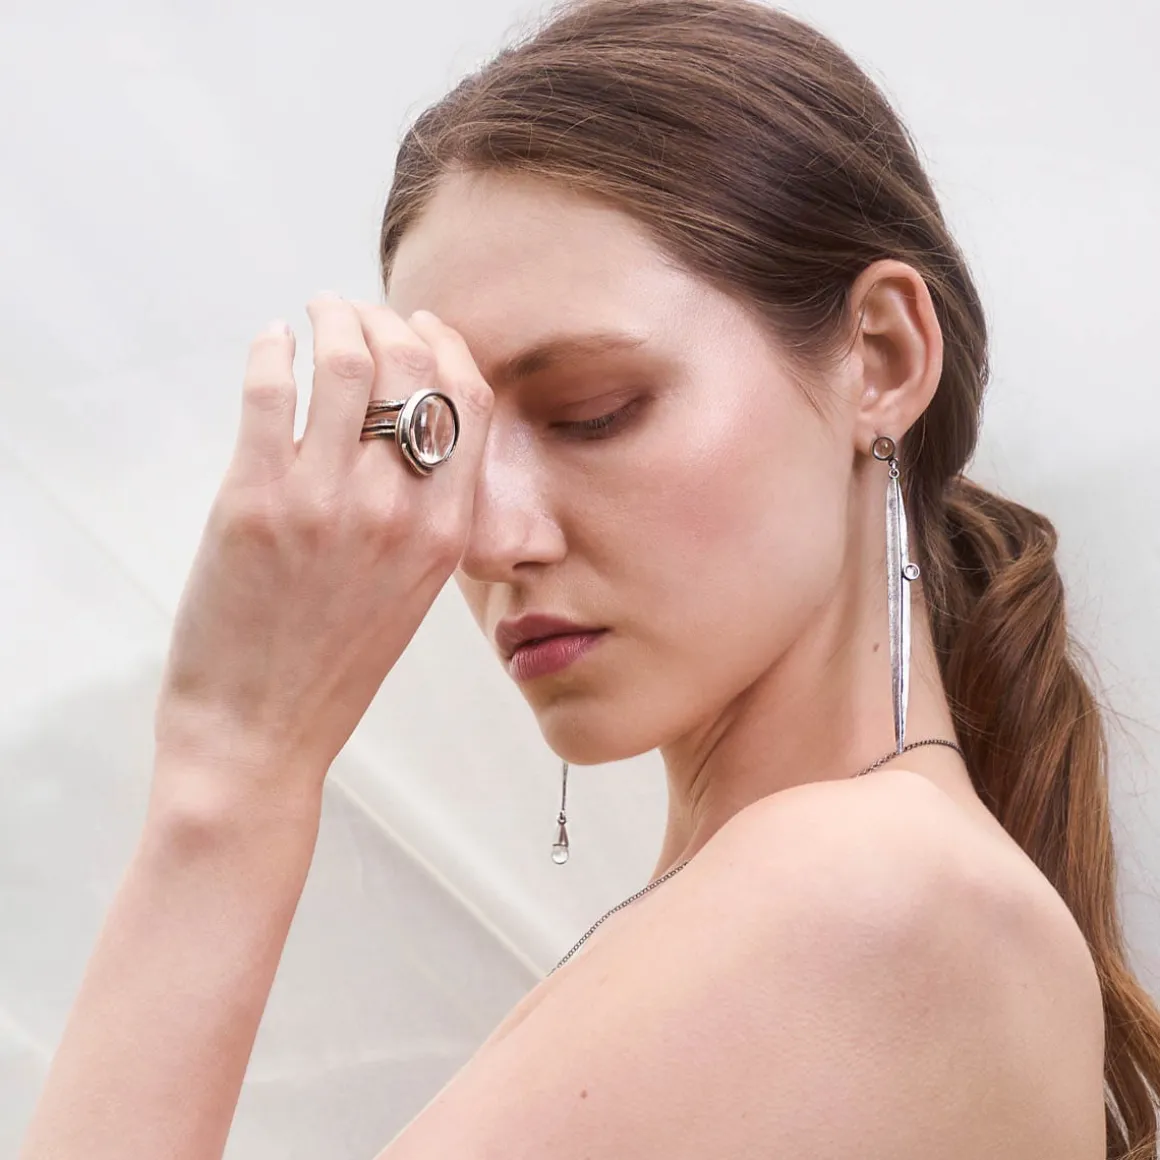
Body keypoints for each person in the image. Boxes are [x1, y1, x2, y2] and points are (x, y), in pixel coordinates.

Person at [17, 0, 1160, 1157]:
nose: (490, 535)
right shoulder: (839, 905)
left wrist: (233, 762)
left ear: (879, 355)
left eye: (591, 412)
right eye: (450, 445)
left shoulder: (871, 891)